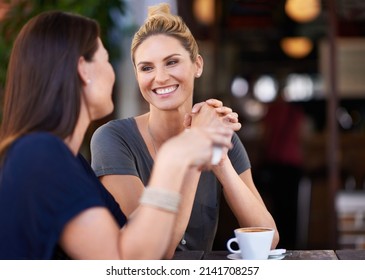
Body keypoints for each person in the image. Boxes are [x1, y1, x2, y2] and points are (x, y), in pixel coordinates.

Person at [0, 10, 235, 260]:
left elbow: (136, 244)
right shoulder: (41, 154)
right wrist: (174, 158)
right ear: (84, 70)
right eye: (106, 59)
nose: (112, 72)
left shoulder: (70, 163)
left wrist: (187, 151)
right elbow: (126, 267)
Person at [90, 3, 279, 258]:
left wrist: (219, 157)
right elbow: (153, 255)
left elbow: (268, 239)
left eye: (172, 62)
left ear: (197, 65)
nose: (160, 77)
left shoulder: (222, 138)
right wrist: (194, 143)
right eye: (147, 67)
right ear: (136, 75)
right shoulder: (113, 140)